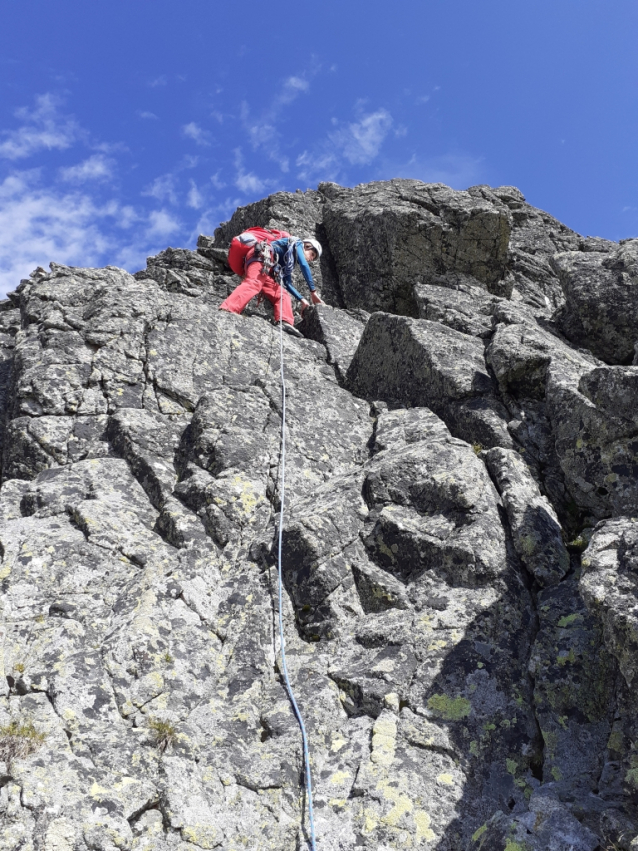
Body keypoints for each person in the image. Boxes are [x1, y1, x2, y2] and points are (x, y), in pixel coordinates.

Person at [219, 236, 324, 337]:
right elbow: (304, 265)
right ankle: (228, 309)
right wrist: (312, 291)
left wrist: (302, 300)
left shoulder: (289, 261)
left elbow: (287, 283)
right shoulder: (297, 242)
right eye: (312, 254)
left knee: (282, 294)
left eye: (313, 257)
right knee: (254, 283)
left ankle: (285, 322)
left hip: (266, 268)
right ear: (307, 246)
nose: (311, 258)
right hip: (261, 257)